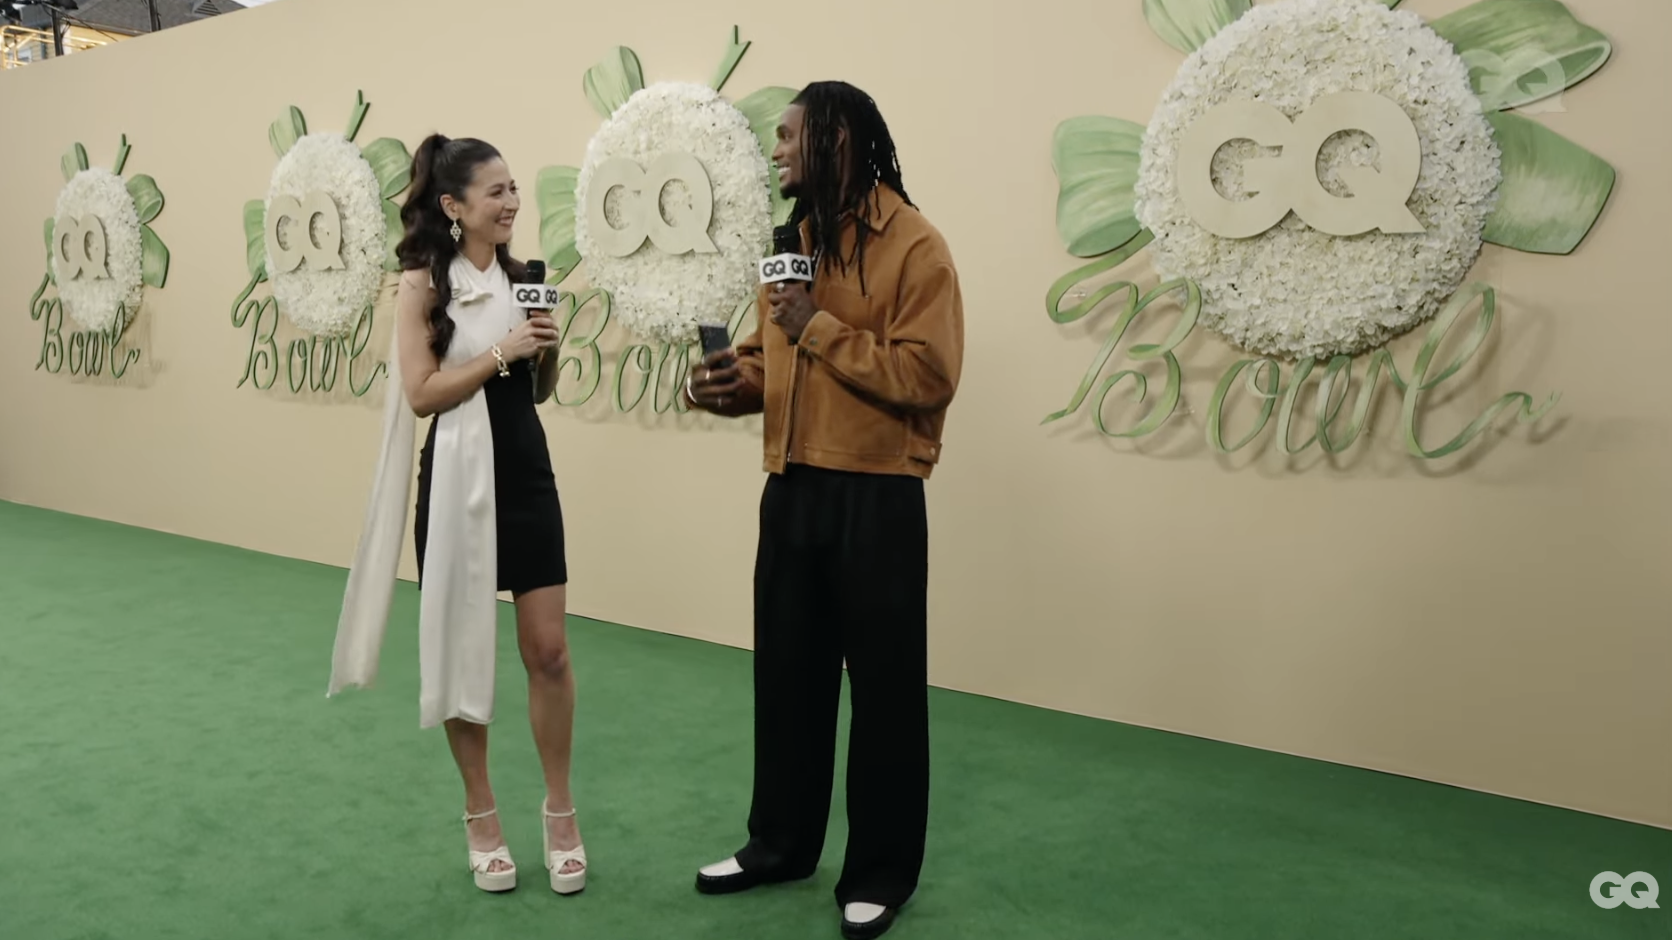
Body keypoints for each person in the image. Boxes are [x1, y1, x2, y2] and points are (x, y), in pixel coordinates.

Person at [684, 81, 964, 939]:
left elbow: (928, 375)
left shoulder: (916, 246)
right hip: (792, 488)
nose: (775, 151)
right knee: (788, 681)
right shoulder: (795, 245)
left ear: (836, 143)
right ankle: (780, 844)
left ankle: (879, 872)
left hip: (878, 495)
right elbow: (774, 364)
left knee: (884, 696)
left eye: (787, 135)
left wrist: (816, 326)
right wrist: (725, 386)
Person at [328, 135, 587, 897]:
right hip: (453, 478)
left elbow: (538, 390)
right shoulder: (420, 285)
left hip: (526, 473)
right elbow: (421, 394)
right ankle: (481, 816)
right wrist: (504, 351)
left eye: (514, 189)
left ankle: (561, 812)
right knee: (458, 650)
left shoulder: (524, 278)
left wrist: (544, 348)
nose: (511, 203)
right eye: (495, 191)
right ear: (453, 205)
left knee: (550, 653)